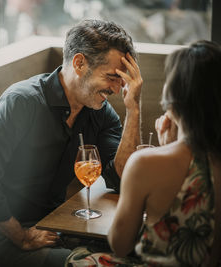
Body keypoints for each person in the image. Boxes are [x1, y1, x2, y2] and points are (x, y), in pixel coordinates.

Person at [0, 19, 143, 267]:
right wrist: (21, 237)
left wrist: (134, 109)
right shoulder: (22, 102)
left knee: (139, 252)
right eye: (112, 77)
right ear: (79, 63)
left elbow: (123, 179)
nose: (119, 89)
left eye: (122, 80)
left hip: (52, 225)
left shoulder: (100, 112)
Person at [66, 40, 221, 266]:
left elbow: (121, 244)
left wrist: (165, 148)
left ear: (173, 99)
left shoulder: (145, 163)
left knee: (78, 256)